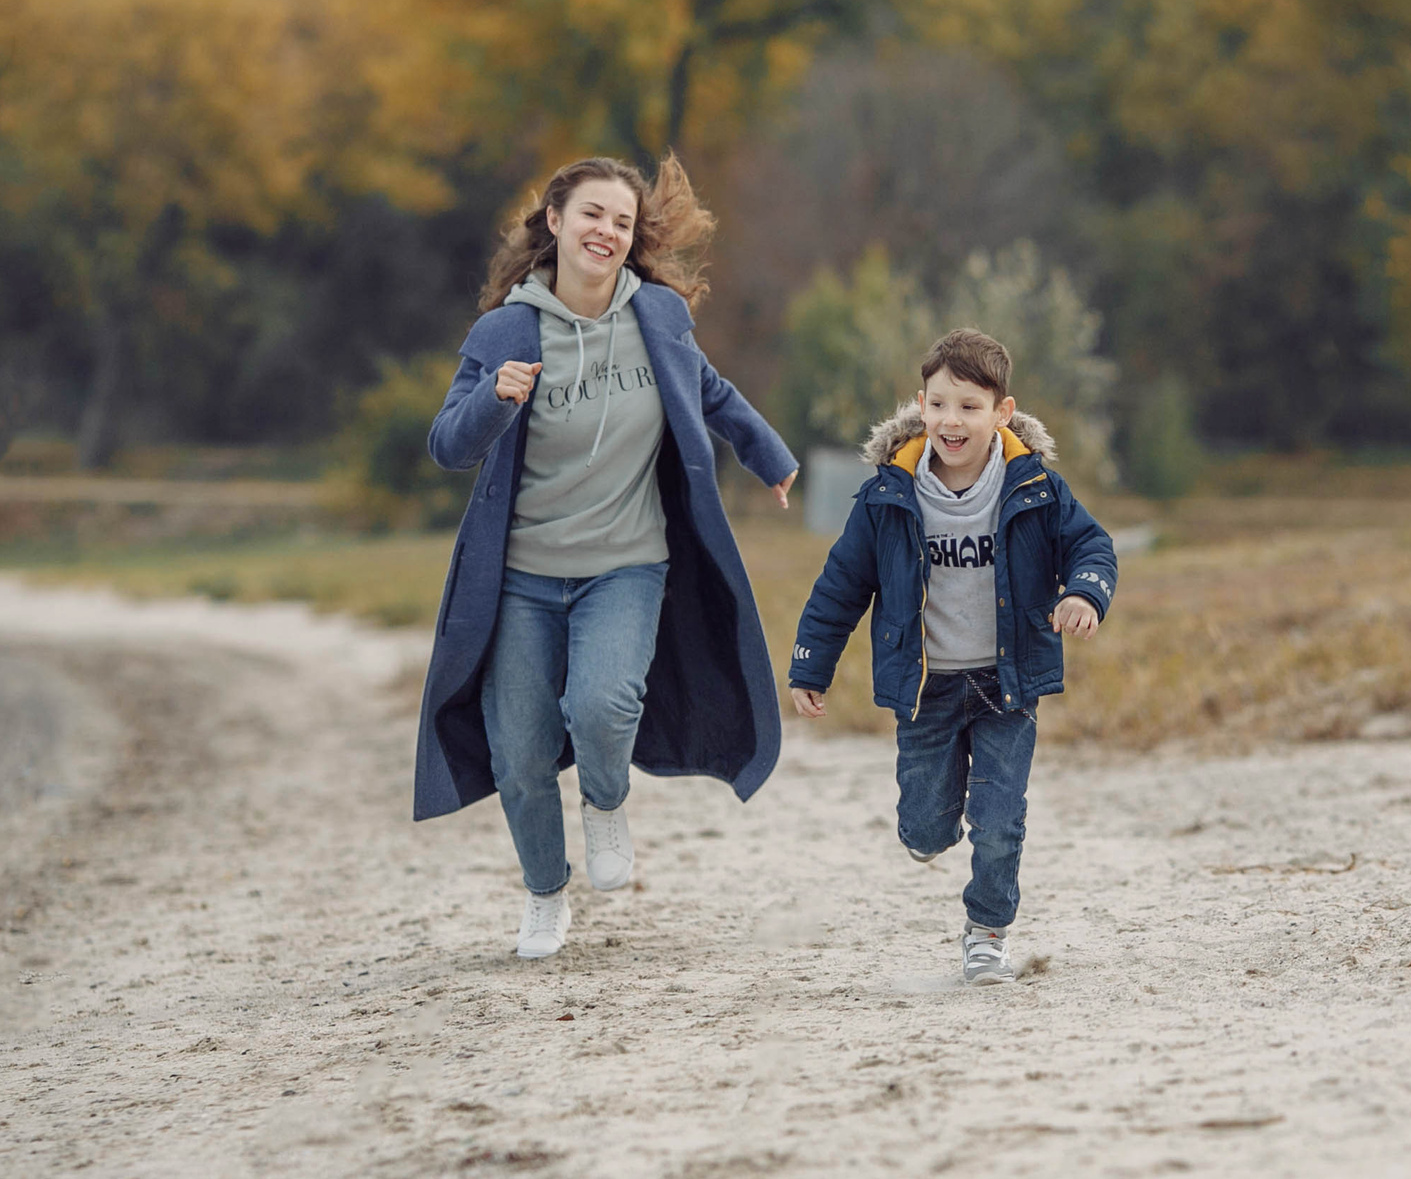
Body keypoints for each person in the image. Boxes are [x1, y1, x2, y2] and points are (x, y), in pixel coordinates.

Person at [415, 156, 798, 959]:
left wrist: (772, 457)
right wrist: (494, 399)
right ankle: (547, 895)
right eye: (592, 214)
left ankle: (605, 798)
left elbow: (712, 393)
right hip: (521, 576)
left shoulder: (657, 316)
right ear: (554, 221)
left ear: (633, 238)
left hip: (627, 562)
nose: (606, 232)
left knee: (602, 705)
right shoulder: (505, 332)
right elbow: (448, 443)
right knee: (517, 752)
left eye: (622, 222)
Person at [787, 329, 1118, 985]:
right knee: (926, 831)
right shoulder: (889, 494)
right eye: (939, 404)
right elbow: (841, 584)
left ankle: (986, 934)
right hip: (927, 691)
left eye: (969, 406)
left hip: (1007, 685)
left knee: (999, 822)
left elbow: (1093, 548)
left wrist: (1085, 593)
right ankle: (930, 827)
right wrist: (809, 663)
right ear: (920, 404)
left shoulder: (1037, 488)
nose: (951, 420)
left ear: (1003, 411)